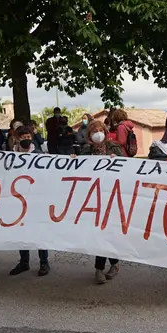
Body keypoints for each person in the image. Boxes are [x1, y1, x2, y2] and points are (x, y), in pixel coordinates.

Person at [74, 120, 124, 284]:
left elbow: (128, 168)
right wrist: (73, 161)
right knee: (99, 234)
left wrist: (118, 161)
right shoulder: (85, 152)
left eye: (100, 130)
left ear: (105, 132)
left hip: (112, 196)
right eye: (93, 131)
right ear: (89, 135)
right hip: (93, 199)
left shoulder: (114, 148)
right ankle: (107, 266)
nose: (97, 133)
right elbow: (78, 171)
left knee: (108, 233)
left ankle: (103, 267)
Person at [8, 126, 51, 277]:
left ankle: (44, 262)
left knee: (39, 231)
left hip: (36, 199)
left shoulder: (38, 154)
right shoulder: (9, 156)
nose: (26, 140)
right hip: (17, 199)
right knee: (21, 231)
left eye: (28, 137)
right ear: (16, 139)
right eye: (23, 138)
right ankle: (24, 262)